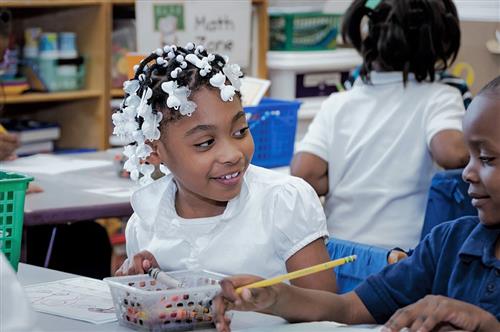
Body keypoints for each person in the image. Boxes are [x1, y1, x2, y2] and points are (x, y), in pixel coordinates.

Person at [213, 75, 500, 332]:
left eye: (486, 158)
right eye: (471, 156)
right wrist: (276, 297)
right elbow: (349, 308)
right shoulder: (448, 243)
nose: (467, 172)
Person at [113, 43, 336, 292]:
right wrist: (148, 286)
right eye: (205, 143)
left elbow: (328, 309)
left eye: (240, 131)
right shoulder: (145, 223)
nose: (232, 155)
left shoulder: (284, 201)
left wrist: (273, 299)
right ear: (154, 151)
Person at [291, 0, 469, 249]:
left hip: (338, 249)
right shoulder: (440, 97)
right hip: (399, 257)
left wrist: (351, 177)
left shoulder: (339, 102)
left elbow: (304, 173)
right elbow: (453, 154)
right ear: (437, 46)